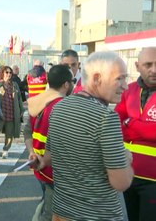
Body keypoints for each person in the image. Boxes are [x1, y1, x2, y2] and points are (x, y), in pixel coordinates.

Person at [40, 51, 134, 220]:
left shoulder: (58, 108)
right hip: (97, 215)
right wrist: (126, 159)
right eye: (119, 78)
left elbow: (49, 158)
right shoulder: (106, 118)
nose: (125, 86)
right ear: (97, 78)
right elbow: (121, 182)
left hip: (62, 212)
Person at [24, 64, 73, 221]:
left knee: (46, 202)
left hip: (39, 167)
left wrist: (32, 152)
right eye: (72, 81)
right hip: (54, 172)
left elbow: (27, 131)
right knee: (51, 214)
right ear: (66, 84)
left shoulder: (36, 103)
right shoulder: (63, 107)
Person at [114, 47, 156, 221]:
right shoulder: (128, 90)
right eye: (148, 65)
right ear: (137, 66)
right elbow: (115, 125)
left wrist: (131, 124)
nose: (154, 70)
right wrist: (144, 129)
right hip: (129, 174)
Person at [0, 66, 24, 159]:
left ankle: (5, 150)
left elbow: (19, 98)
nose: (9, 74)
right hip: (0, 114)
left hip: (12, 113)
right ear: (2, 73)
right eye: (6, 72)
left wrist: (21, 110)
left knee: (9, 134)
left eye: (10, 73)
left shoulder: (14, 85)